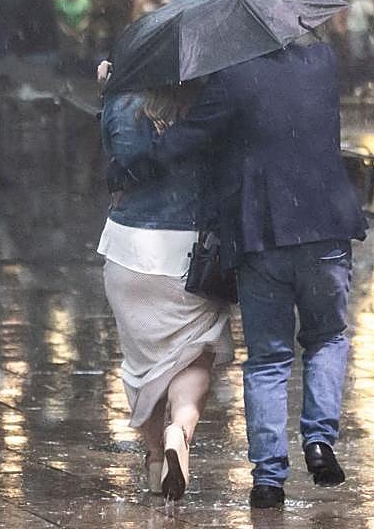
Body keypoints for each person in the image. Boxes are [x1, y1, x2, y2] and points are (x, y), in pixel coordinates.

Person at [129, 40, 367, 509]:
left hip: (263, 236)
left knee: (268, 359)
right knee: (327, 338)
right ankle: (319, 442)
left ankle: (268, 479)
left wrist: (138, 151)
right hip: (325, 228)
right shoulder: (322, 61)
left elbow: (186, 140)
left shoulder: (233, 77)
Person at [96, 63, 234, 501]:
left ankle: (156, 460)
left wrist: (110, 91)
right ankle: (180, 430)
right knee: (194, 356)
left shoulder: (122, 102)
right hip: (188, 253)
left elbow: (116, 160)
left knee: (143, 367)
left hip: (127, 250)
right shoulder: (210, 104)